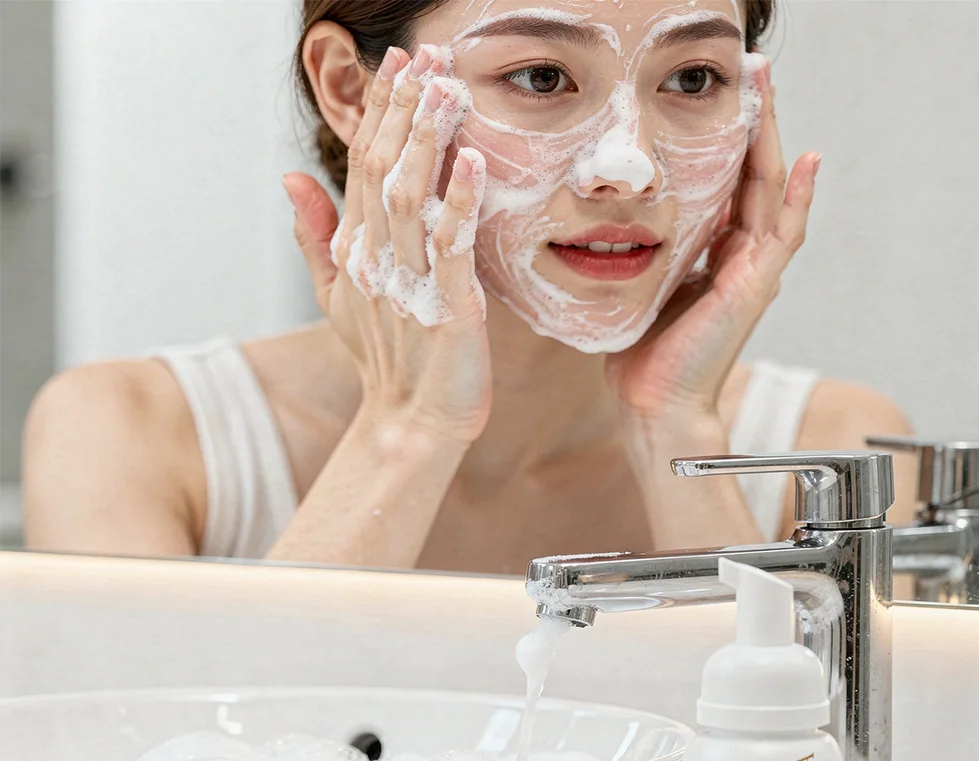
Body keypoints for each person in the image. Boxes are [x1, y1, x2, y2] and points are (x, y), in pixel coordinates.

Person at [23, 0, 915, 575]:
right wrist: (407, 428)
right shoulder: (133, 436)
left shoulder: (828, 457)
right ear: (349, 88)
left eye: (693, 79)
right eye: (540, 77)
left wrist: (676, 428)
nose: (630, 165)